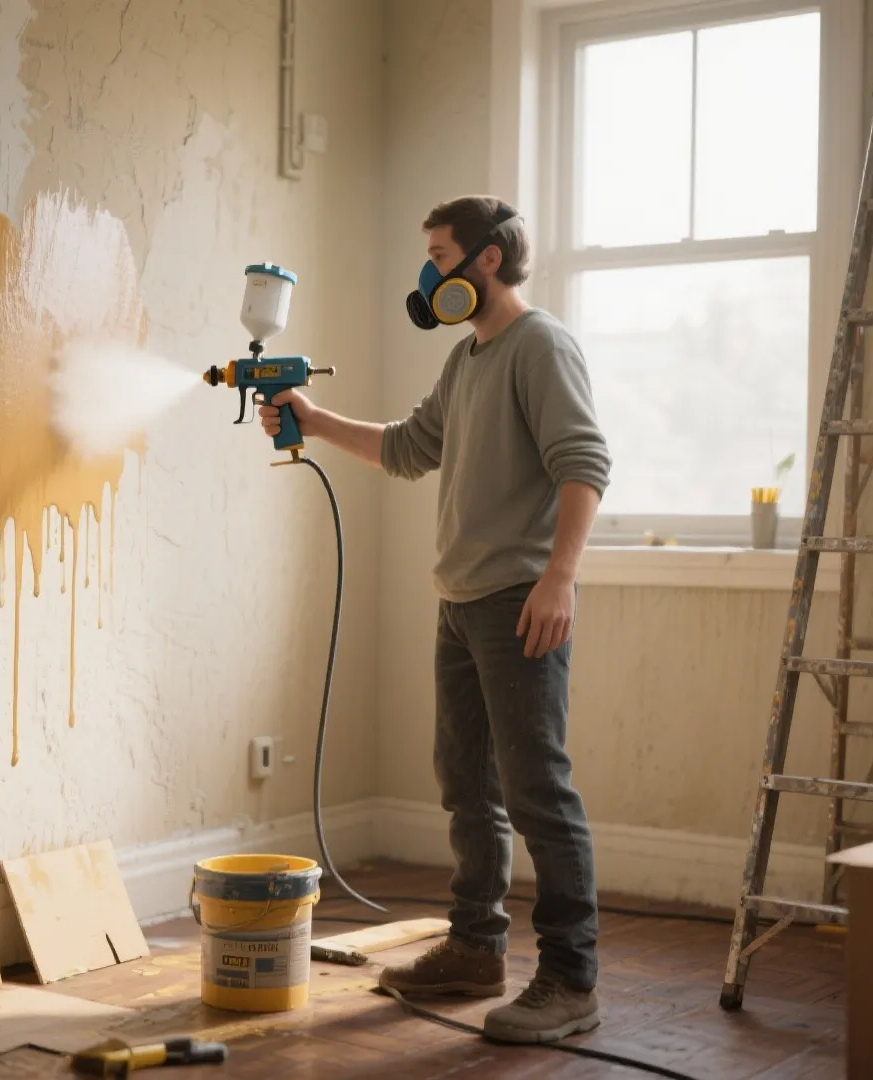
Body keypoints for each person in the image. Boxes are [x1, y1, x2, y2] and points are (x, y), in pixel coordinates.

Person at [261, 195, 610, 1044]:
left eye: (440, 252)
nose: (430, 271)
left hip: (517, 601)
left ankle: (570, 980)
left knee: (538, 792)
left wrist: (558, 580)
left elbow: (585, 462)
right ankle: (476, 949)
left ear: (486, 260)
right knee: (469, 787)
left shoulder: (540, 345)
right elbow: (409, 448)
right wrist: (309, 416)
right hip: (461, 601)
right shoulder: (467, 359)